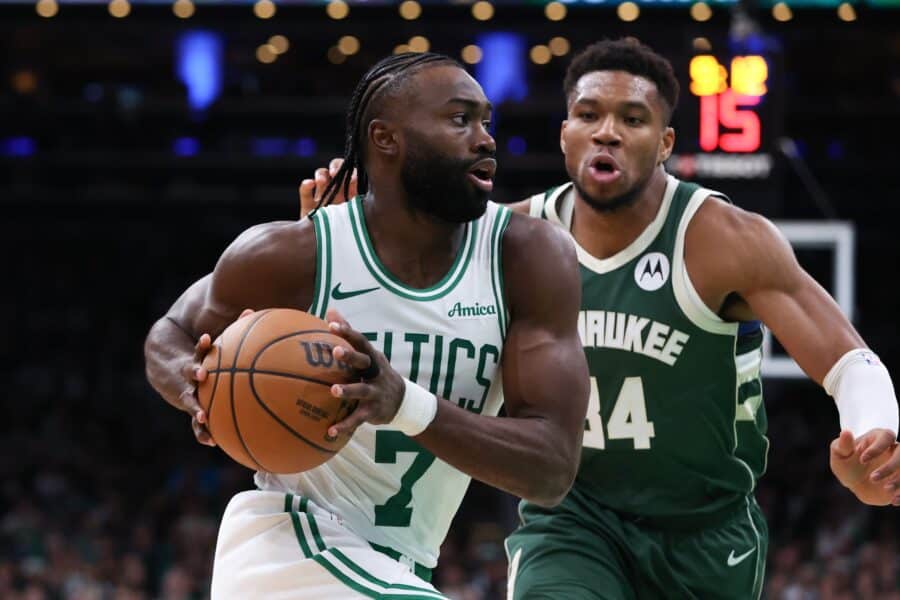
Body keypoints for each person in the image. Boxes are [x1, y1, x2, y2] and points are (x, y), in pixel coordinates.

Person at [301, 39, 900, 599]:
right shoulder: (507, 243)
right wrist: (352, 238)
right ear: (565, 135)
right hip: (571, 520)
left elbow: (851, 363)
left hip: (705, 530)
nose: (606, 133)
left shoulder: (723, 239)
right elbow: (407, 333)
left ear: (665, 143)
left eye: (632, 120)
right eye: (588, 116)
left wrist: (871, 438)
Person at [143, 52, 590, 599]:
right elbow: (169, 334)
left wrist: (402, 402)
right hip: (286, 546)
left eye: (485, 122)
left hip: (403, 567)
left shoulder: (528, 258)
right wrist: (197, 385)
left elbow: (551, 470)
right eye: (459, 119)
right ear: (386, 139)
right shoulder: (298, 252)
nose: (485, 139)